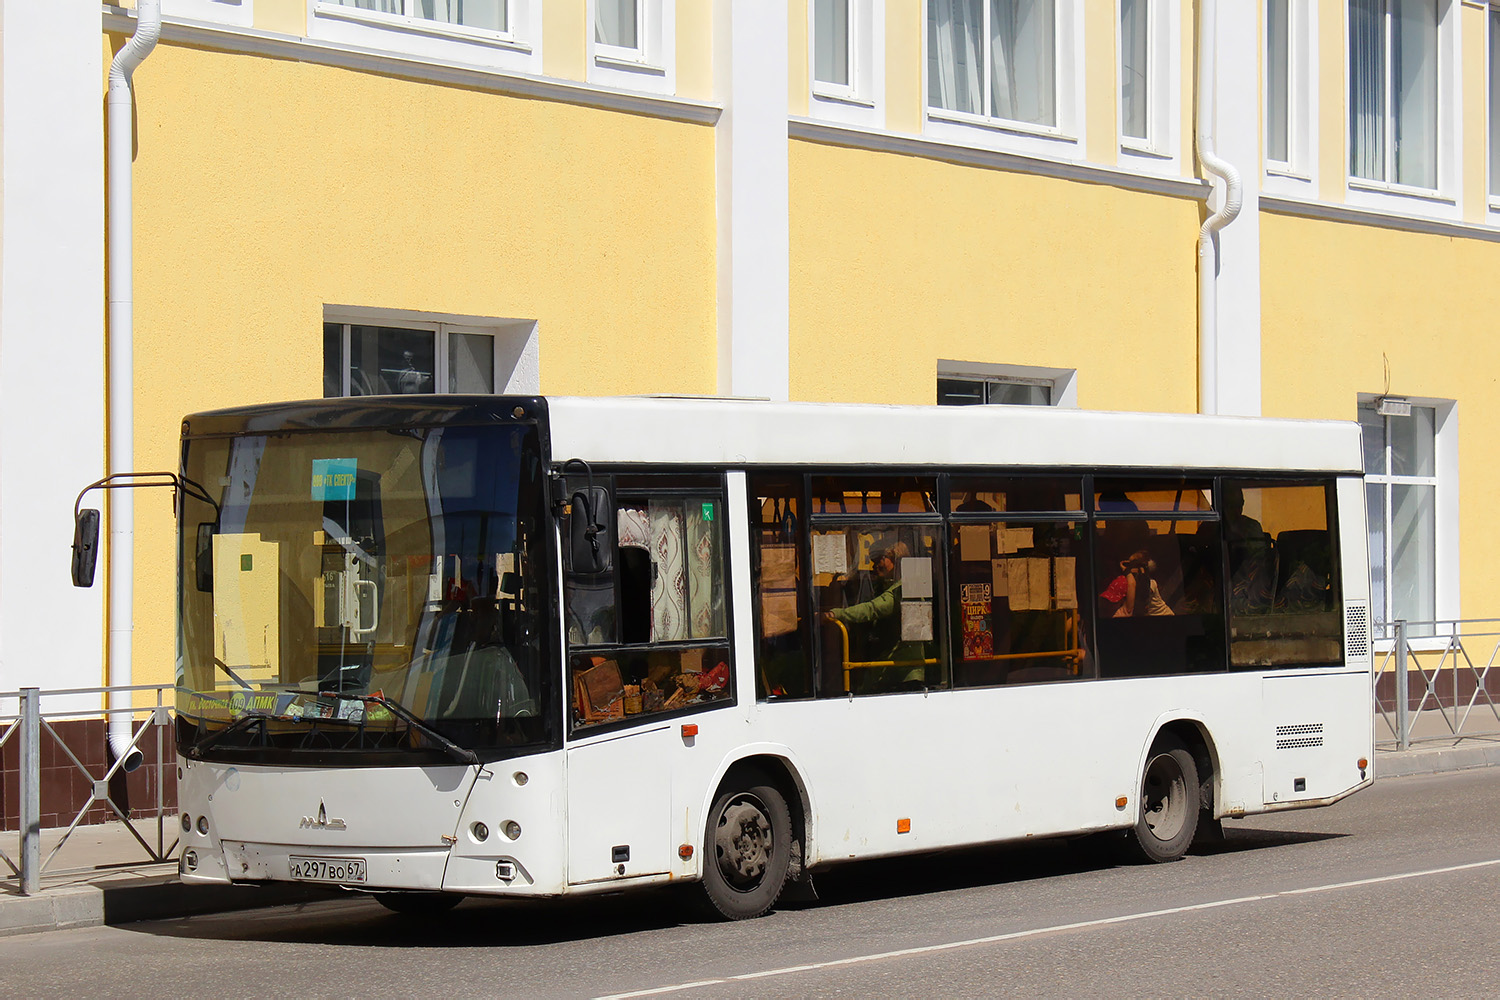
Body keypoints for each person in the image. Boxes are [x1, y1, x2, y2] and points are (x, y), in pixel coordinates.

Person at [822, 538, 926, 690]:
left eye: (879, 559)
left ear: (895, 560)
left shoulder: (904, 588)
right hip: (889, 665)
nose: (874, 565)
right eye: (872, 560)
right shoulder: (885, 586)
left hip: (904, 671)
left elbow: (873, 609)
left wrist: (835, 614)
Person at [1100, 550, 1173, 617]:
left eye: (1133, 564)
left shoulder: (1149, 583)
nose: (1130, 567)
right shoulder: (1135, 581)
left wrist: (1128, 572)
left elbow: (1137, 594)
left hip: (1164, 615)